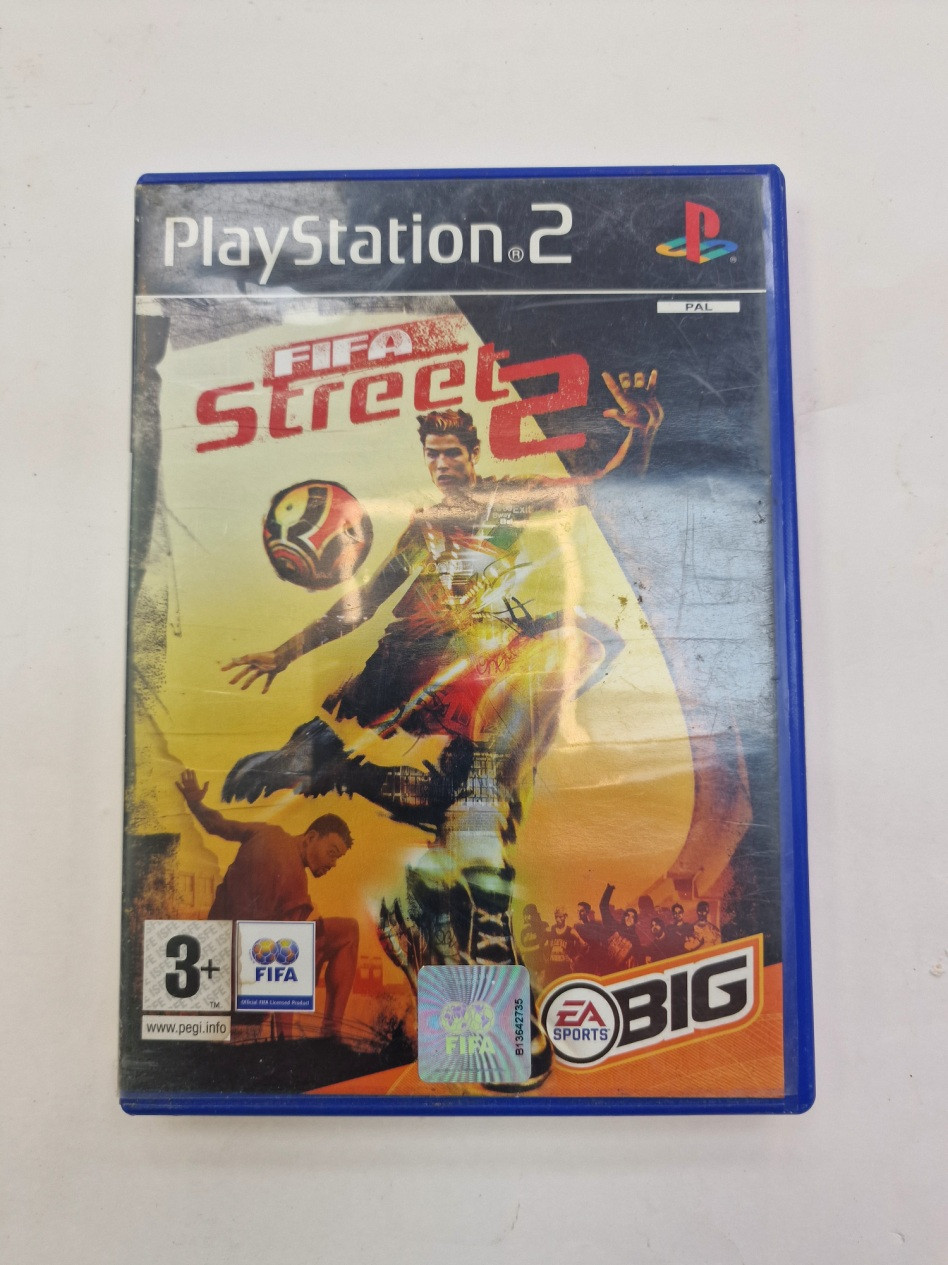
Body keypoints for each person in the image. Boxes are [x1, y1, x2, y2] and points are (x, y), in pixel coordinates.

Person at [175, 769, 358, 1038]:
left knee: (305, 936)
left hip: (218, 953)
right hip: (245, 971)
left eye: (337, 859)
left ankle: (303, 1035)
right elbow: (288, 956)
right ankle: (329, 1034)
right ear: (310, 838)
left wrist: (194, 802)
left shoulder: (267, 831)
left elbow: (217, 825)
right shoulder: (296, 880)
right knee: (349, 932)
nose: (333, 864)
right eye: (332, 853)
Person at [598, 883, 642, 971]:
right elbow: (603, 906)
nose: (629, 919)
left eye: (632, 917)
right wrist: (610, 888)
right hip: (602, 969)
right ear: (624, 917)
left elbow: (639, 960)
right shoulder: (614, 926)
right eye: (627, 915)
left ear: (635, 921)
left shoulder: (635, 939)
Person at [546, 908, 582, 982]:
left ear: (565, 916)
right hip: (552, 967)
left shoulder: (571, 930)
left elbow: (583, 944)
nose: (558, 919)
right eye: (556, 917)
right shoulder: (551, 929)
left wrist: (574, 958)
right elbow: (544, 945)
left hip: (565, 967)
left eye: (560, 917)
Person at [573, 901, 608, 974]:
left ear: (587, 912)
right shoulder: (576, 927)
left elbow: (602, 942)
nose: (579, 913)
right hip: (581, 961)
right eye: (577, 911)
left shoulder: (595, 926)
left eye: (581, 911)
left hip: (594, 961)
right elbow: (574, 945)